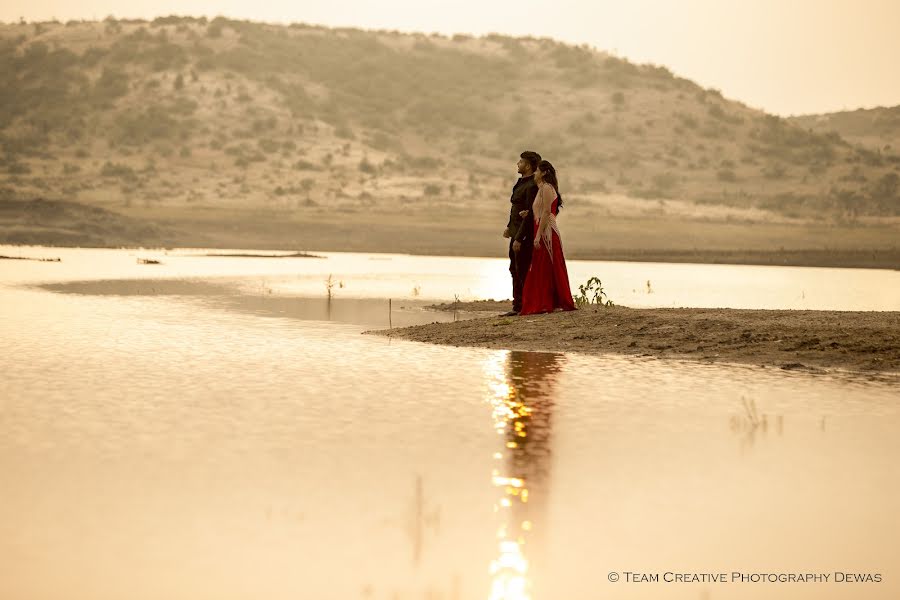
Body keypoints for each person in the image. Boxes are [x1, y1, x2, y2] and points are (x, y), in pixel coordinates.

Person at [519, 160, 576, 315]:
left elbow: (546, 213)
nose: (535, 174)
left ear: (543, 173)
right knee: (542, 266)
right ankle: (548, 301)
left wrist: (537, 236)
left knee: (546, 265)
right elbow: (540, 211)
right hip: (542, 228)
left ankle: (548, 302)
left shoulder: (546, 188)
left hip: (547, 232)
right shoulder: (542, 189)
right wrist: (529, 214)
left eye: (537, 171)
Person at [502, 150, 542, 317]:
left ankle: (523, 306)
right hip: (515, 232)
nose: (517, 164)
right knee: (514, 268)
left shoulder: (532, 185)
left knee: (522, 269)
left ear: (528, 165)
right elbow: (517, 209)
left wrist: (520, 237)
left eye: (520, 162)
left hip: (523, 236)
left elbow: (531, 214)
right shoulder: (522, 183)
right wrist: (509, 227)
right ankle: (517, 305)